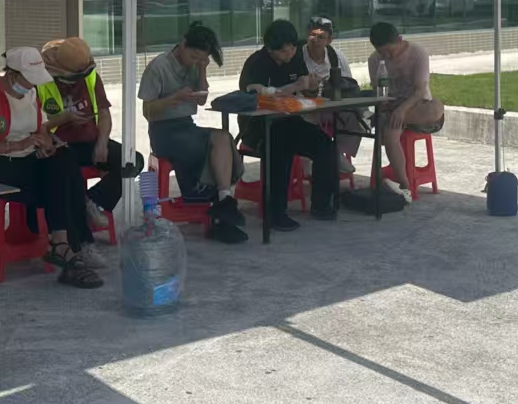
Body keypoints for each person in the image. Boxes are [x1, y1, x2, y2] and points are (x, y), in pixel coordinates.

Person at [0, 47, 102, 287]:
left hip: (24, 160)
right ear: (12, 74)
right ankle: (70, 247)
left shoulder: (31, 93)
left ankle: (63, 244)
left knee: (64, 160)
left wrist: (46, 142)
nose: (31, 86)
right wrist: (16, 145)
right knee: (62, 186)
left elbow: (41, 128)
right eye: (28, 80)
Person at [140, 22, 246, 244]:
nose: (194, 62)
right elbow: (147, 111)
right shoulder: (159, 66)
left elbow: (201, 100)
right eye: (193, 56)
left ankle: (223, 201)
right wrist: (174, 99)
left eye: (201, 59)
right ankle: (216, 201)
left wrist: (202, 69)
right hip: (163, 131)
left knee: (224, 137)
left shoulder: (196, 66)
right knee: (215, 144)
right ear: (183, 44)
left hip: (187, 125)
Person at [39, 36, 140, 245]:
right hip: (60, 146)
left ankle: (93, 201)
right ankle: (73, 231)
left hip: (90, 141)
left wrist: (102, 142)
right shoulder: (40, 82)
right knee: (66, 173)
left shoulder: (90, 77)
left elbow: (104, 113)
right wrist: (64, 119)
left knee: (132, 160)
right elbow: (36, 126)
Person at [237, 20, 339, 226]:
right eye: (284, 51)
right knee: (279, 149)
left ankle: (321, 204)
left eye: (292, 49)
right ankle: (275, 213)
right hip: (259, 126)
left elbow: (305, 89)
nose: (290, 54)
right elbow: (255, 98)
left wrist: (312, 86)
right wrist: (294, 86)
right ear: (270, 48)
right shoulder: (256, 64)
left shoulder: (296, 59)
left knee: (325, 145)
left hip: (289, 120)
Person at [366, 21, 446, 202]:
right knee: (391, 131)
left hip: (416, 105)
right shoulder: (374, 60)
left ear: (400, 40)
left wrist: (402, 110)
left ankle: (397, 119)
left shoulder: (418, 53)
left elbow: (420, 91)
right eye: (382, 53)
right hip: (391, 107)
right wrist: (387, 107)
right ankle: (404, 185)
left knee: (436, 108)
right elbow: (377, 91)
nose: (386, 56)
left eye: (390, 51)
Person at [301, 16, 363, 174]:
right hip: (304, 108)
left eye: (321, 37)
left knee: (354, 118)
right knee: (304, 124)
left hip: (331, 107)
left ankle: (336, 153)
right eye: (312, 35)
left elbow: (348, 83)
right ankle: (311, 158)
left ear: (329, 40)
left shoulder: (336, 56)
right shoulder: (298, 55)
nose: (315, 40)